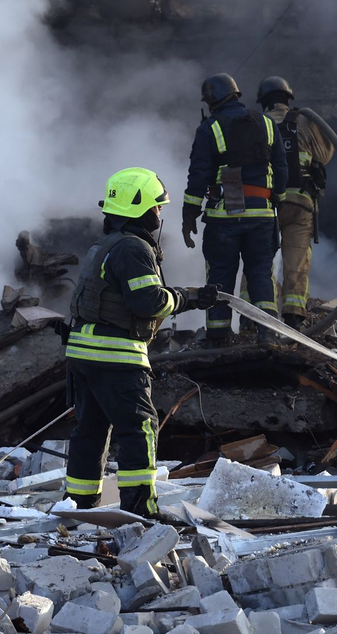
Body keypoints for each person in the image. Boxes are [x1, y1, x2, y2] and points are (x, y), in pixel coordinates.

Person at [64, 167, 218, 518]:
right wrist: (187, 297)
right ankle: (140, 509)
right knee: (139, 428)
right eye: (158, 208)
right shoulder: (133, 249)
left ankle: (78, 507)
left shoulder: (104, 245)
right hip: (115, 354)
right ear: (144, 209)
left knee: (89, 430)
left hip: (83, 353)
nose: (159, 214)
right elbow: (148, 302)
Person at [182, 73, 288, 344]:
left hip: (224, 219)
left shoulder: (209, 129)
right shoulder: (266, 123)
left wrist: (189, 215)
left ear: (212, 100)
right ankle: (268, 334)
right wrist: (276, 196)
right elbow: (281, 168)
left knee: (219, 276)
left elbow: (198, 176)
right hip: (262, 217)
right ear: (236, 94)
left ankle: (218, 335)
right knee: (261, 276)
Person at [255, 76, 336, 330]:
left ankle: (253, 317)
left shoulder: (256, 124)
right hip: (300, 203)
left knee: (258, 259)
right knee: (297, 261)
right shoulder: (303, 121)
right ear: (288, 99)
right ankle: (294, 317)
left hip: (265, 203)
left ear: (263, 102)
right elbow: (324, 155)